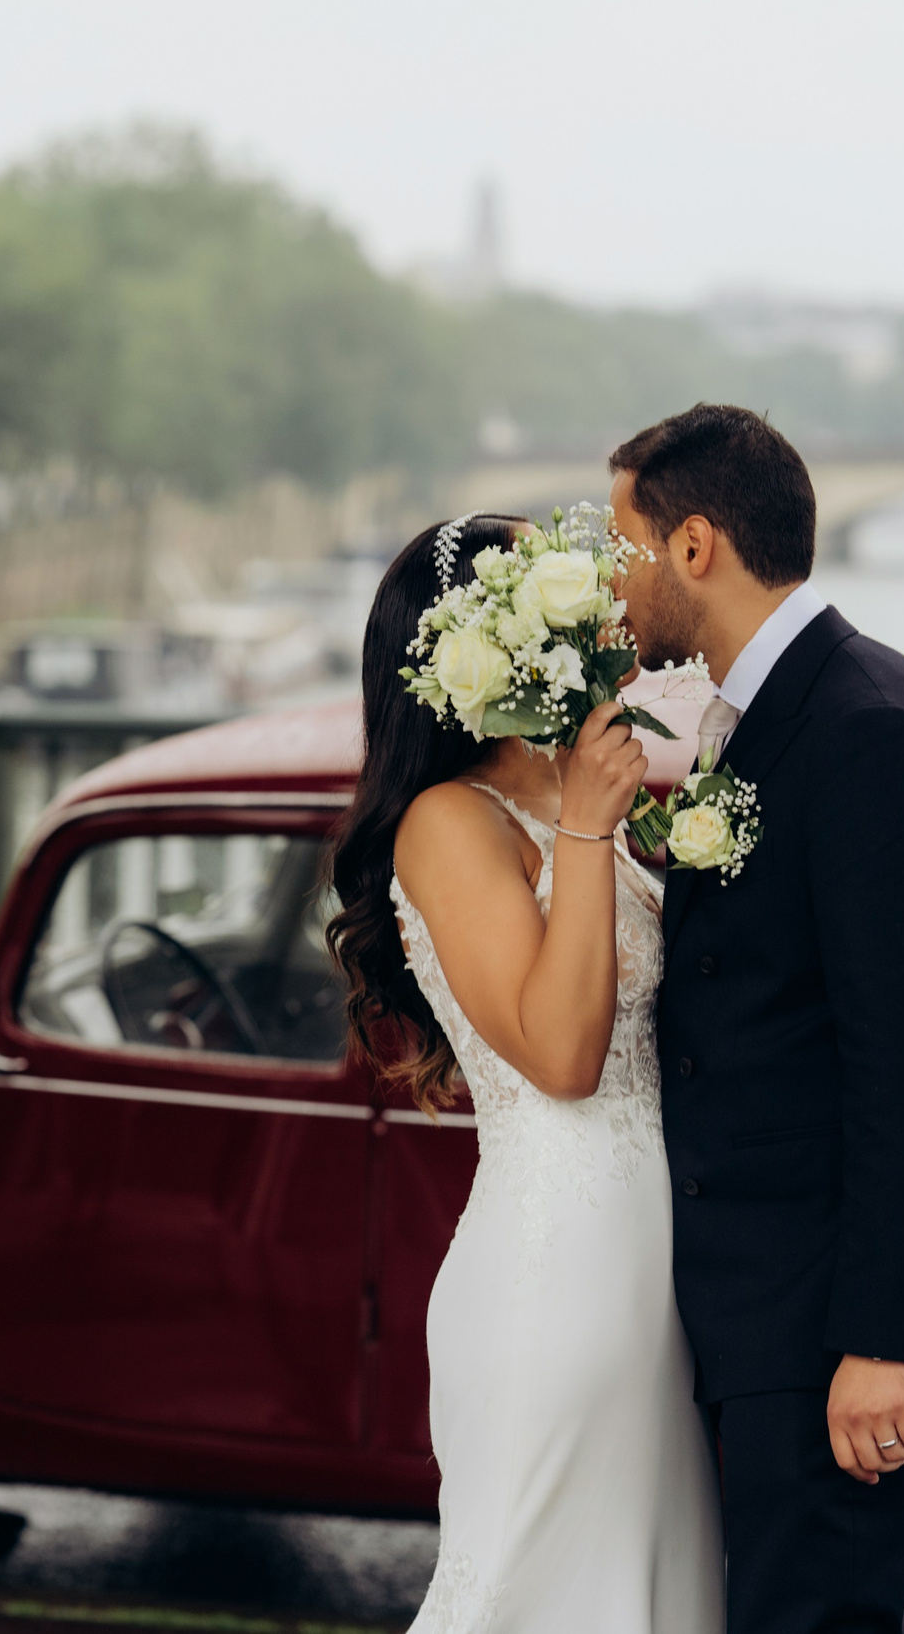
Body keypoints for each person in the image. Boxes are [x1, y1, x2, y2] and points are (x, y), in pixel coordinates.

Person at [609, 403, 904, 1634]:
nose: (613, 574)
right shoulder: (767, 718)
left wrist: (881, 1343)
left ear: (694, 547)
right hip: (771, 1312)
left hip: (836, 1327)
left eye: (624, 539)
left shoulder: (878, 735)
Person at [326, 513, 724, 1634]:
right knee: (538, 1594)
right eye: (579, 605)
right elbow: (558, 1057)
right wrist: (594, 838)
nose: (611, 614)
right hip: (564, 1273)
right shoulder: (450, 823)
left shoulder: (590, 789)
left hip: (662, 1272)